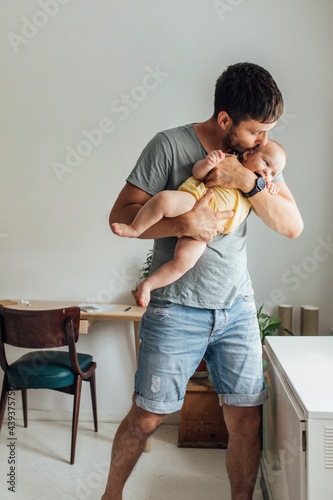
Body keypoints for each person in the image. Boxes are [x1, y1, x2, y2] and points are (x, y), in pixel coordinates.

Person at [102, 62, 303, 500]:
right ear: (226, 120)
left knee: (246, 418)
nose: (264, 141)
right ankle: (110, 496)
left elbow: (292, 226)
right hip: (176, 307)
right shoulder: (169, 146)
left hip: (236, 308)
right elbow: (121, 217)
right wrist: (183, 223)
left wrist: (247, 182)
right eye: (256, 131)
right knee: (147, 417)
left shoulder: (260, 161)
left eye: (269, 131)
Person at [111, 140, 286, 307]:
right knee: (163, 199)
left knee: (184, 262)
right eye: (266, 163)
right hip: (193, 199)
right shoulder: (231, 162)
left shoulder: (258, 188)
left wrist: (267, 189)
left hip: (205, 231)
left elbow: (285, 221)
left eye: (272, 173)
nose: (266, 173)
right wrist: (208, 163)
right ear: (248, 154)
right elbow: (198, 173)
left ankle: (148, 284)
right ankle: (135, 228)